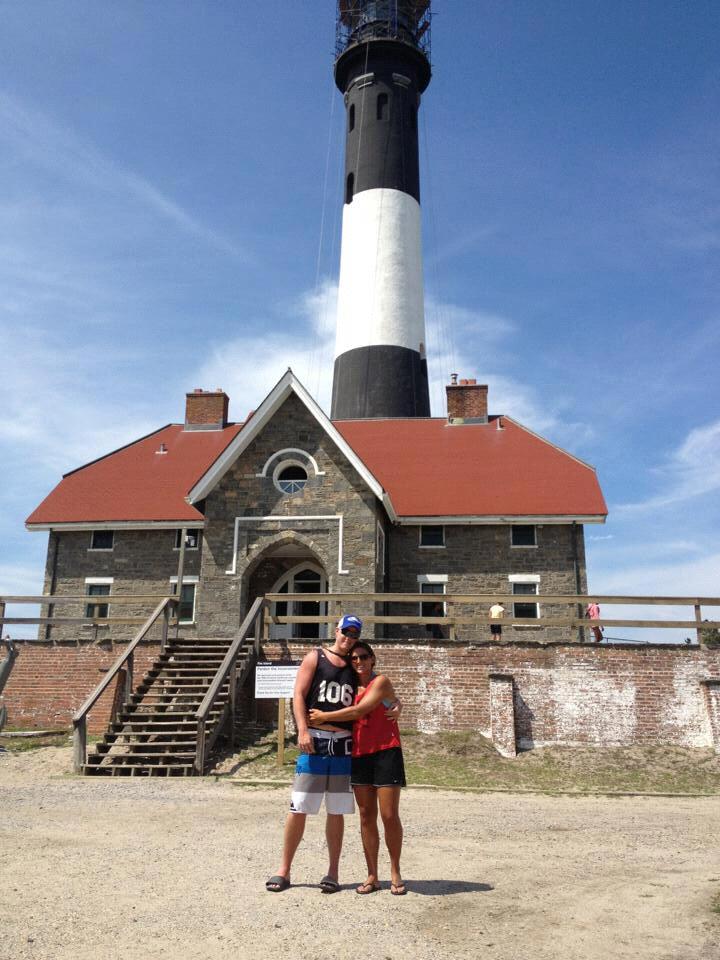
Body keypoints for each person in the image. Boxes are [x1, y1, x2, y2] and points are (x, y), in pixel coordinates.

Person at [308, 640, 407, 896]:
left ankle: (395, 871)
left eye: (363, 657)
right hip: (360, 752)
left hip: (386, 751)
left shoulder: (381, 681)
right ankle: (372, 874)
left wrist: (324, 717)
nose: (359, 662)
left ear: (373, 659)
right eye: (354, 659)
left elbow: (361, 710)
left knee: (388, 815)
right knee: (365, 817)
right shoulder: (350, 686)